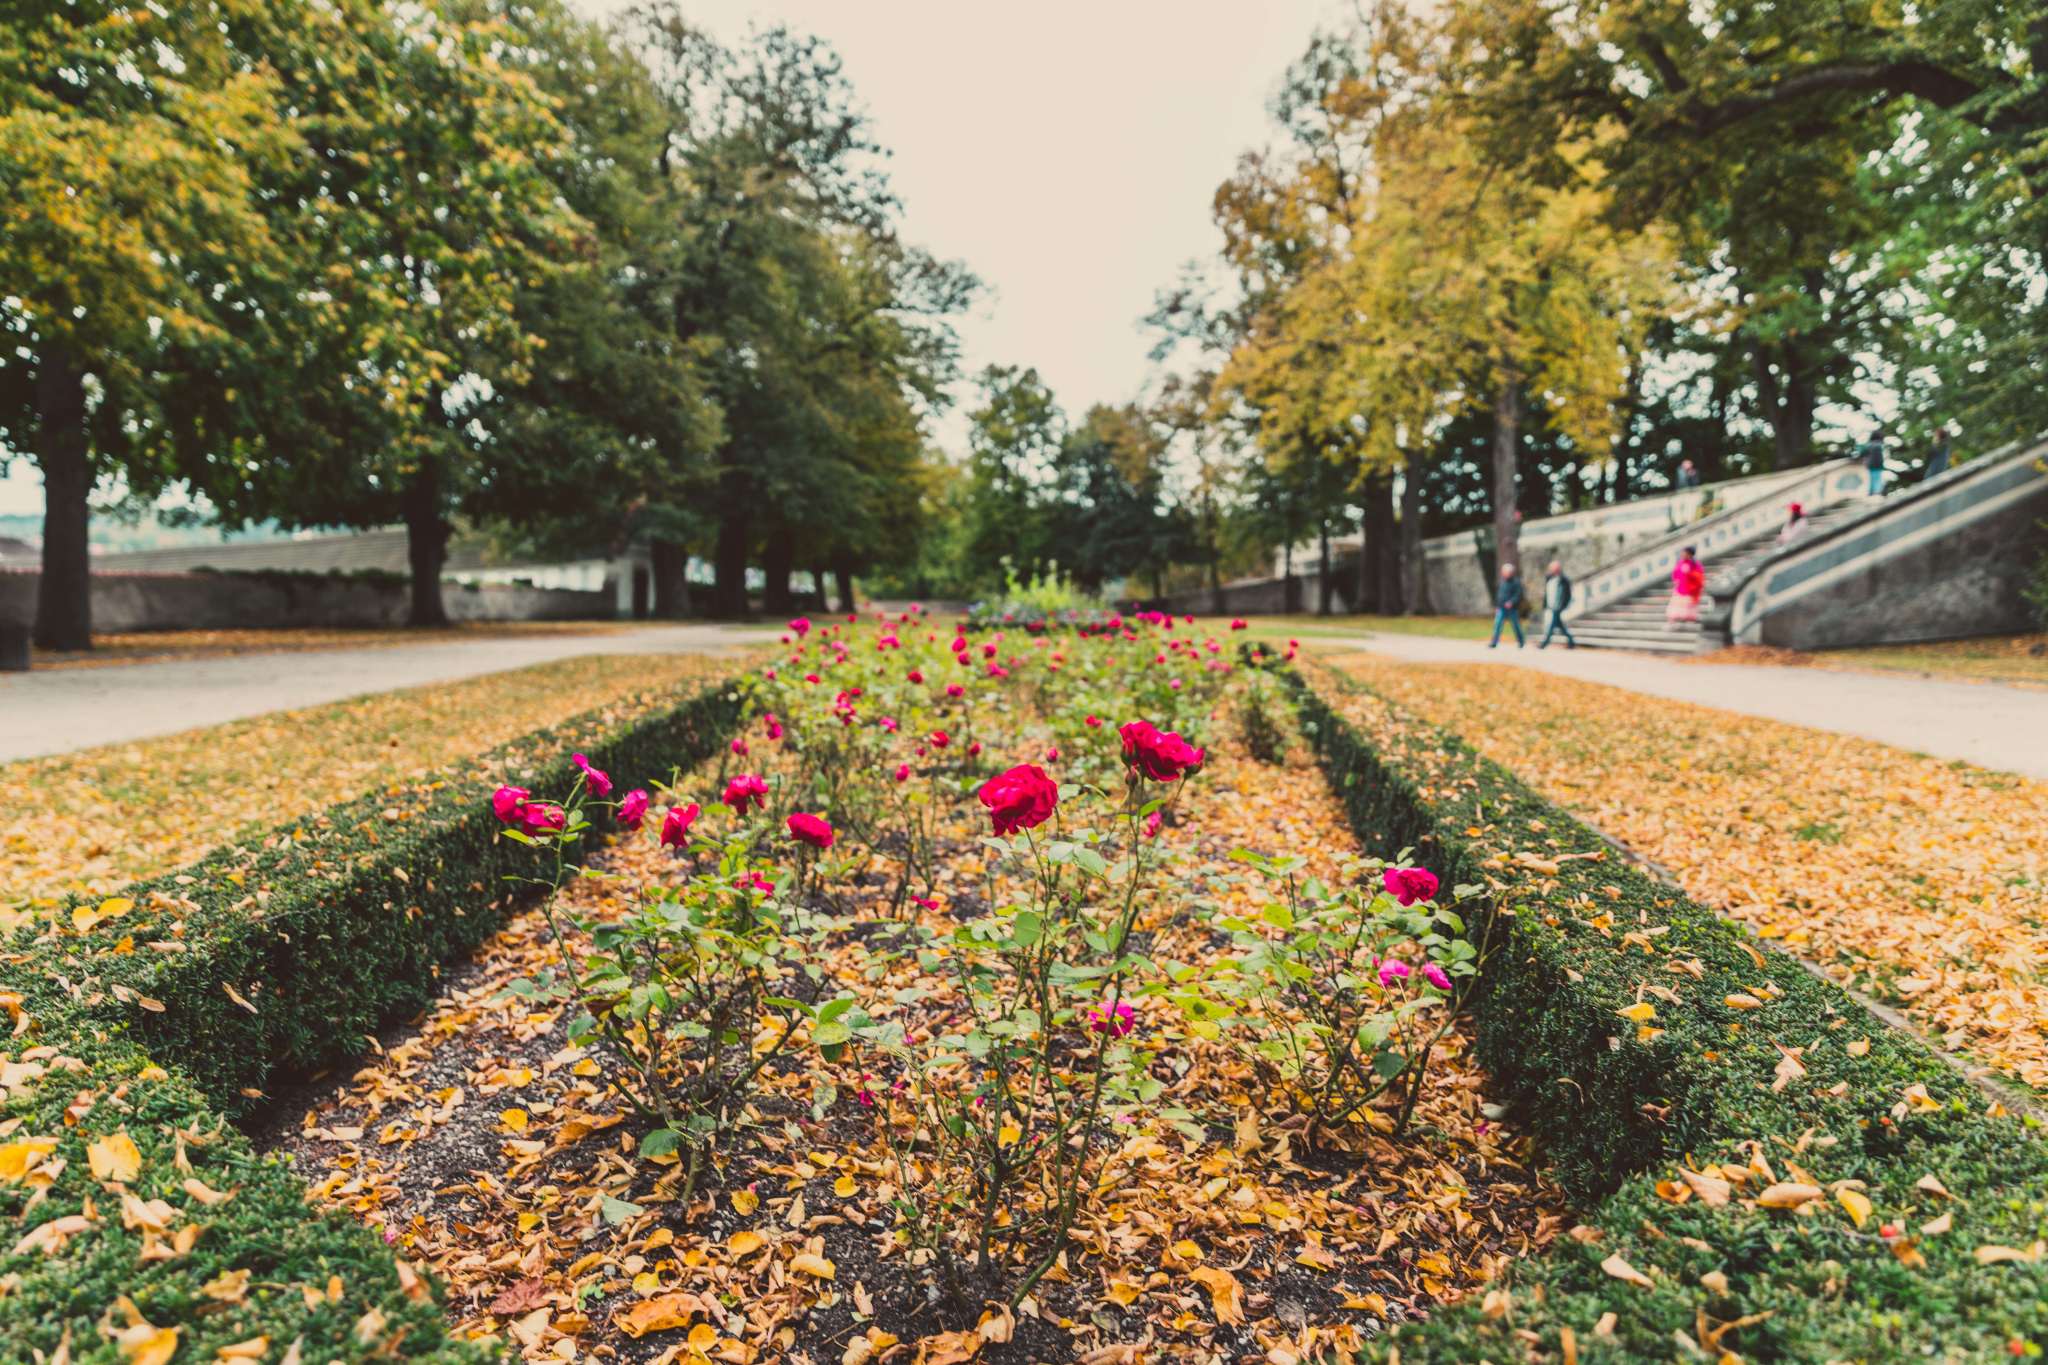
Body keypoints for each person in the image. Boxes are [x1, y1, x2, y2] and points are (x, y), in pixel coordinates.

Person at [1539, 560, 1576, 649]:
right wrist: (1545, 604)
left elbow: (1568, 594)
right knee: (1560, 626)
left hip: (1558, 607)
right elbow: (1548, 593)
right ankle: (1571, 642)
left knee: (1551, 626)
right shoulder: (1550, 579)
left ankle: (1544, 643)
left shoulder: (1563, 580)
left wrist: (1563, 605)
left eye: (1552, 568)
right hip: (1551, 606)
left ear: (1558, 569)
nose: (1550, 570)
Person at [1666, 545, 1704, 629]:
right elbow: (1675, 573)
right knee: (1674, 608)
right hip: (1679, 589)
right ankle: (1670, 624)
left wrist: (1689, 573)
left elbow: (1699, 576)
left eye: (1685, 552)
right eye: (1682, 552)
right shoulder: (1679, 562)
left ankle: (1691, 621)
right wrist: (1675, 580)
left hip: (1690, 589)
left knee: (1689, 607)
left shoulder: (1695, 564)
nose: (1683, 554)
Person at [1488, 562, 1525, 648]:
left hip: (1512, 608)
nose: (1504, 573)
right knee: (1497, 624)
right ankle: (1494, 642)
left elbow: (1518, 594)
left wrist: (1511, 602)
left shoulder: (1515, 582)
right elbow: (1499, 595)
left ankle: (1521, 640)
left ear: (1511, 572)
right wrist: (1495, 605)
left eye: (1505, 571)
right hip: (1501, 607)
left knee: (1516, 625)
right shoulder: (1502, 581)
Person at [1858, 428, 1888, 496]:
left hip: (1869, 464)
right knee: (1877, 478)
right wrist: (1881, 465)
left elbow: (1862, 453)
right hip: (1876, 464)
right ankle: (1876, 492)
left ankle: (1871, 492)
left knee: (1871, 478)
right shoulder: (1878, 445)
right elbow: (1879, 457)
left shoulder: (1868, 445)